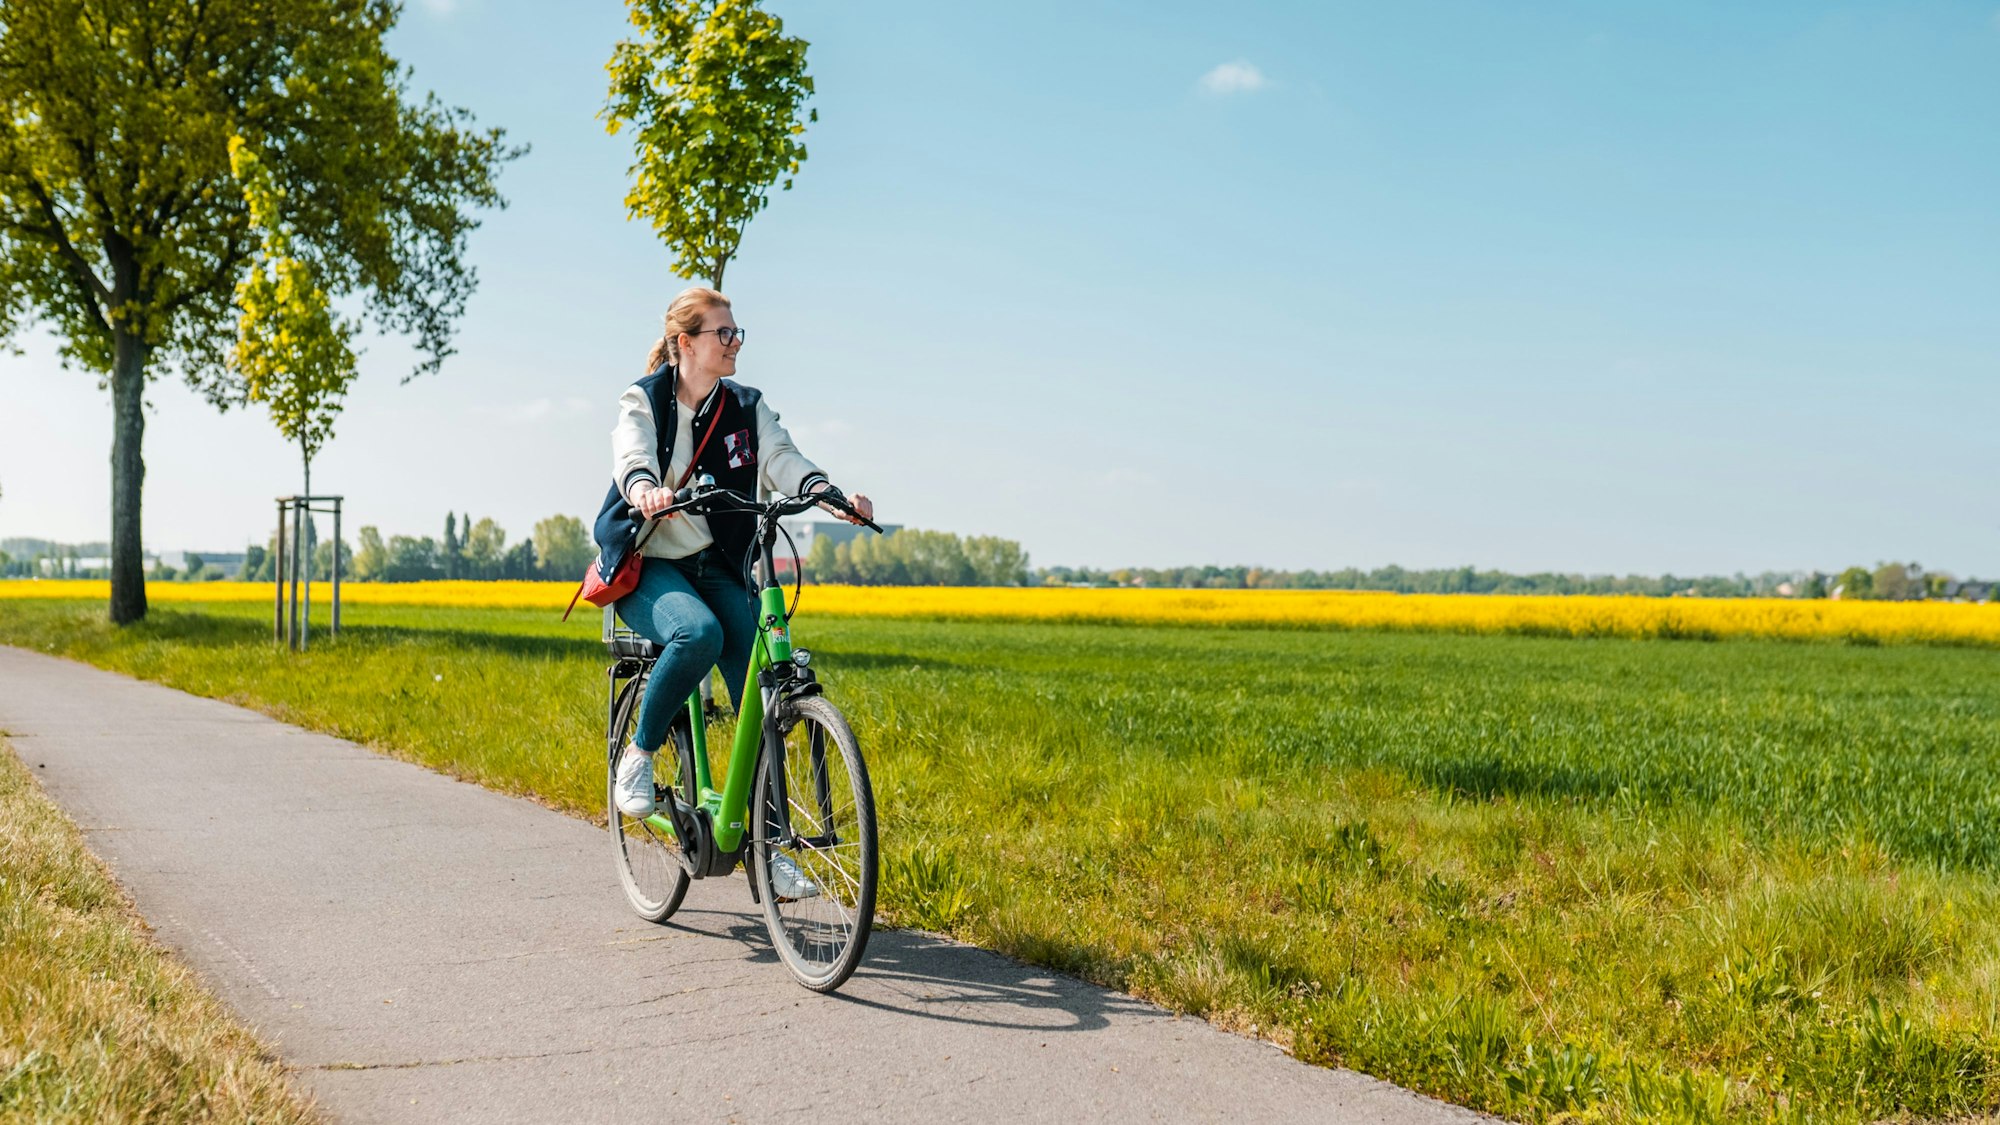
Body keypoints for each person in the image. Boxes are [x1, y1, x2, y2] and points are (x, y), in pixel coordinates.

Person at [599, 286, 873, 818]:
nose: (735, 343)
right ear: (686, 342)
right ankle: (639, 754)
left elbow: (783, 459)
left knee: (763, 691)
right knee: (698, 633)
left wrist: (831, 498)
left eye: (736, 332)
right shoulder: (644, 400)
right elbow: (631, 456)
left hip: (717, 566)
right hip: (650, 565)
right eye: (722, 333)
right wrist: (645, 491)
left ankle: (769, 848)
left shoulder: (747, 407)